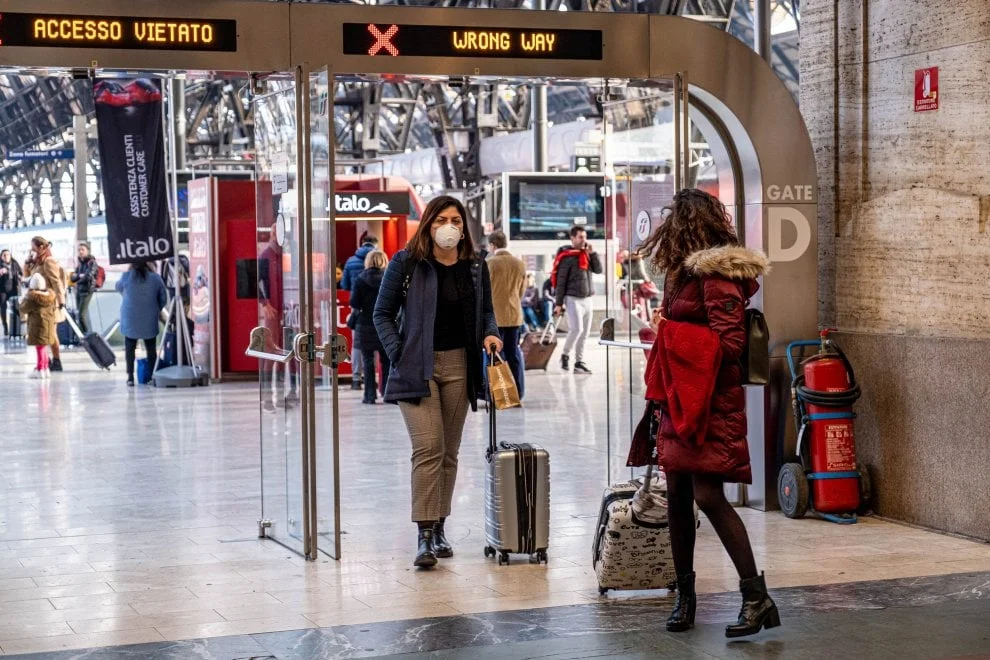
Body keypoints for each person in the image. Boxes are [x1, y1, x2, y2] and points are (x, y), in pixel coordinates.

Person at [637, 188, 777, 638]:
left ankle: (757, 598)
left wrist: (671, 331)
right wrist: (669, 328)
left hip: (710, 402)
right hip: (682, 398)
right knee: (677, 492)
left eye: (672, 223)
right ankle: (685, 596)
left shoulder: (716, 274)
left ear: (687, 226)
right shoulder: (682, 274)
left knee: (708, 495)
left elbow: (730, 344)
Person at [373, 195, 502, 569]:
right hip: (417, 367)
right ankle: (424, 534)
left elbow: (487, 311)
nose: (450, 226)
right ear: (429, 224)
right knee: (428, 448)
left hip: (461, 365)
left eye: (457, 221)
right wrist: (400, 353)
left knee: (448, 453)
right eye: (442, 219)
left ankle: (440, 526)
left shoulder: (476, 265)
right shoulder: (407, 263)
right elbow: (382, 314)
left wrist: (491, 334)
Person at [551, 226, 602, 374]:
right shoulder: (566, 257)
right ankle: (565, 355)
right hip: (572, 299)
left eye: (584, 236)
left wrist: (593, 254)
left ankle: (579, 362)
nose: (583, 239)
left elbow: (598, 270)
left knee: (585, 333)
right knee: (577, 329)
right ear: (572, 238)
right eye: (580, 237)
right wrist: (558, 304)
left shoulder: (586, 254)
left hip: (587, 298)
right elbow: (561, 282)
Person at [485, 230, 527, 399]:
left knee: (494, 357)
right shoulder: (519, 263)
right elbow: (522, 292)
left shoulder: (490, 263)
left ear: (492, 245)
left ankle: (498, 394)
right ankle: (518, 392)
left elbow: (484, 293)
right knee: (513, 354)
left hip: (494, 319)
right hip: (514, 316)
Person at [116, 262, 168, 387]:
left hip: (130, 317)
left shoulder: (126, 276)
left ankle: (130, 377)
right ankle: (152, 377)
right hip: (149, 316)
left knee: (130, 348)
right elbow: (163, 298)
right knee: (150, 348)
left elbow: (118, 287)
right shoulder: (155, 278)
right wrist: (155, 308)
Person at [350, 250, 391, 405]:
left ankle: (369, 395)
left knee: (367, 360)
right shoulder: (388, 277)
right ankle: (387, 393)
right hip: (385, 324)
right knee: (386, 360)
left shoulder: (360, 279)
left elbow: (355, 303)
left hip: (365, 323)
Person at [23, 237, 66, 373]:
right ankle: (46, 361)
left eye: (33, 247)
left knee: (51, 334)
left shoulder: (49, 261)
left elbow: (56, 282)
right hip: (39, 303)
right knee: (43, 334)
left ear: (41, 247)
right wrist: (27, 262)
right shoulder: (38, 262)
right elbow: (27, 278)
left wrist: (61, 301)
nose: (32, 250)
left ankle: (57, 361)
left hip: (50, 302)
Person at [342, 235, 379, 391]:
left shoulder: (350, 261)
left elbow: (344, 285)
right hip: (379, 309)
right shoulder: (380, 260)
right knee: (379, 343)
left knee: (358, 343)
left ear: (361, 244)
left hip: (358, 309)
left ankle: (356, 379)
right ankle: (376, 377)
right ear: (375, 244)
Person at [19, 273, 57, 379]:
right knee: (43, 348)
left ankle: (40, 370)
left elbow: (23, 308)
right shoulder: (50, 296)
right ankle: (45, 369)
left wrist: (24, 298)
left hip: (37, 326)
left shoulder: (33, 298)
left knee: (40, 348)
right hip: (48, 325)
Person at [69, 242, 100, 334]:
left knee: (81, 315)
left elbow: (88, 276)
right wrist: (80, 276)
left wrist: (78, 277)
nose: (80, 252)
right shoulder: (80, 264)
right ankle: (83, 336)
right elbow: (72, 278)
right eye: (79, 250)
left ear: (88, 251)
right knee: (79, 314)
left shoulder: (92, 262)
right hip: (79, 290)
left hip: (87, 290)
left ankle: (87, 335)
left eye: (83, 250)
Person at [0, 249, 24, 338]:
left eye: (8, 255)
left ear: (10, 255)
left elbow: (21, 273)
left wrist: (20, 276)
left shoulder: (14, 263)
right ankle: (5, 326)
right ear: (1, 256)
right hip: (2, 289)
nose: (6, 257)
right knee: (3, 308)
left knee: (16, 307)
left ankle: (17, 327)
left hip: (13, 288)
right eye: (4, 255)